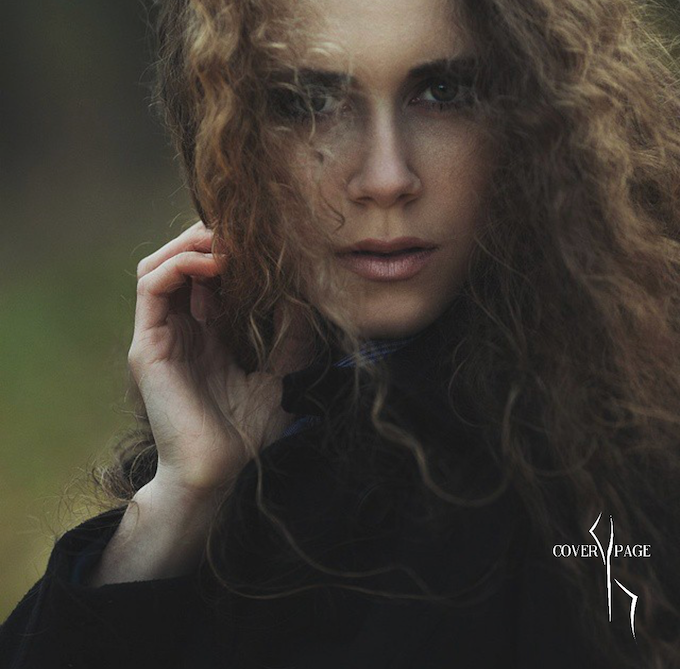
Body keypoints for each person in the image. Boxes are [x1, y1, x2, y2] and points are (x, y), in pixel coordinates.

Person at [2, 0, 680, 666]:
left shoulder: (614, 465)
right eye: (310, 102)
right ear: (230, 133)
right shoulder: (255, 427)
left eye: (443, 93)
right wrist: (177, 509)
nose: (386, 179)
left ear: (536, 111)